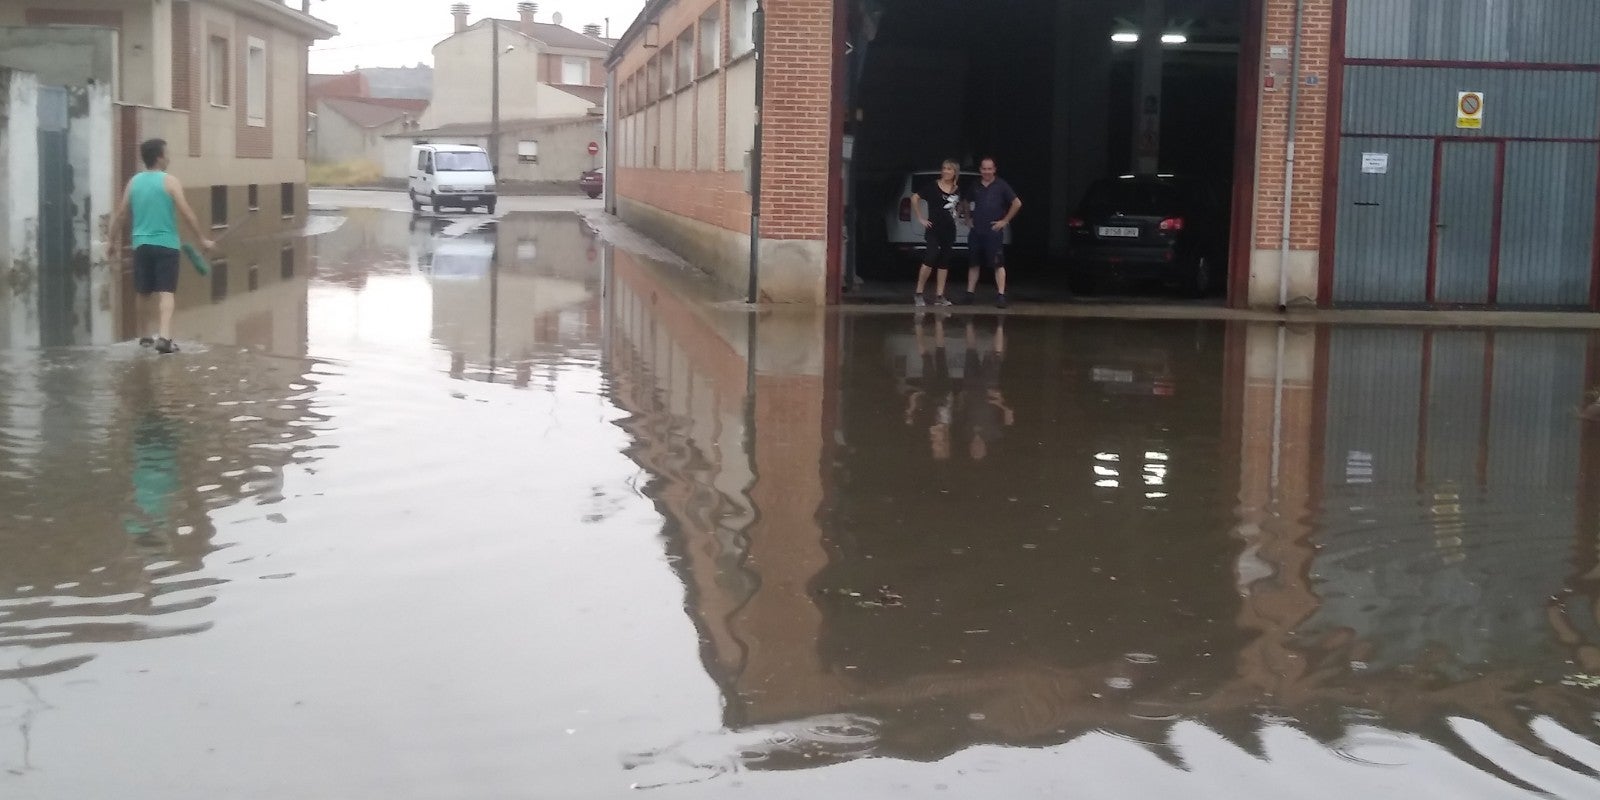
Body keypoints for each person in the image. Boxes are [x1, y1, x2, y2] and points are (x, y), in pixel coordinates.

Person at [107, 138, 214, 354]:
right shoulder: (170, 181)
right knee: (166, 292)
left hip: (141, 245)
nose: (169, 157)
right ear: (158, 157)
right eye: (166, 154)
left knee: (143, 291)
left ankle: (145, 336)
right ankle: (164, 337)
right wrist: (201, 239)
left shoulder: (134, 182)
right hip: (166, 245)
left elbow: (120, 214)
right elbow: (186, 212)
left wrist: (111, 241)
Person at [964, 157, 1023, 308]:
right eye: (984, 169)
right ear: (980, 170)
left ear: (994, 169)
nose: (987, 172)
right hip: (976, 231)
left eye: (989, 169)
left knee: (998, 264)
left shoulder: (1001, 185)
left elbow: (1017, 203)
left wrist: (1005, 221)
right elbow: (965, 201)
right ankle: (969, 294)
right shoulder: (975, 185)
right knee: (973, 263)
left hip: (993, 232)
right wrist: (968, 218)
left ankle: (1001, 295)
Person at [911, 159, 966, 307]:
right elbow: (914, 198)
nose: (946, 171)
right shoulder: (932, 186)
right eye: (944, 168)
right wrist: (920, 218)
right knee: (930, 256)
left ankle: (940, 295)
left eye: (949, 169)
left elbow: (960, 204)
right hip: (933, 229)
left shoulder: (957, 189)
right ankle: (918, 293)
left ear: (955, 172)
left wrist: (959, 216)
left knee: (944, 261)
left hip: (949, 230)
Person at [957, 316, 1014, 461]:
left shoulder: (964, 434)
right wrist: (999, 401)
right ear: (985, 449)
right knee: (995, 355)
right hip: (989, 386)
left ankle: (968, 320)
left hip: (970, 386)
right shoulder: (994, 434)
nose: (976, 448)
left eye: (973, 451)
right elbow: (1009, 415)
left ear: (970, 448)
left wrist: (962, 396)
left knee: (970, 351)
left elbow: (960, 411)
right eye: (979, 451)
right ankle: (1000, 322)